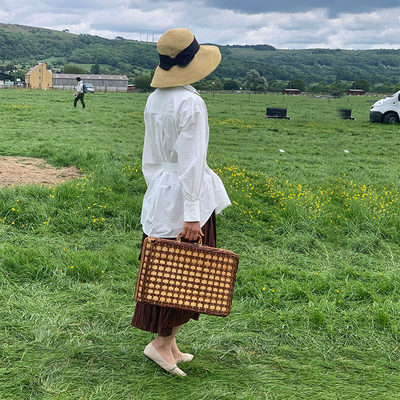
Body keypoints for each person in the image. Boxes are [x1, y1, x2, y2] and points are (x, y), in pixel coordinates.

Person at [131, 28, 231, 376]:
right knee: (184, 272)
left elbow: (151, 160)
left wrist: (158, 191)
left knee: (164, 269)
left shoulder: (155, 98)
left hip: (161, 190)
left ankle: (170, 342)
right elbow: (190, 162)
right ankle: (160, 344)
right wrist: (191, 214)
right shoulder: (191, 102)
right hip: (187, 197)